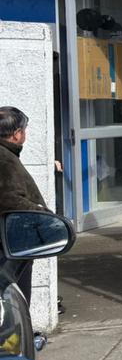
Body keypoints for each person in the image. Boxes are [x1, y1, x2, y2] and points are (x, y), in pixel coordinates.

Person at [0, 107, 50, 307]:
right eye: (24, 130)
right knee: (15, 307)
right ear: (17, 134)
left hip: (10, 246)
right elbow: (10, 200)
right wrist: (44, 216)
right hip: (9, 250)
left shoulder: (7, 155)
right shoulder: (4, 159)